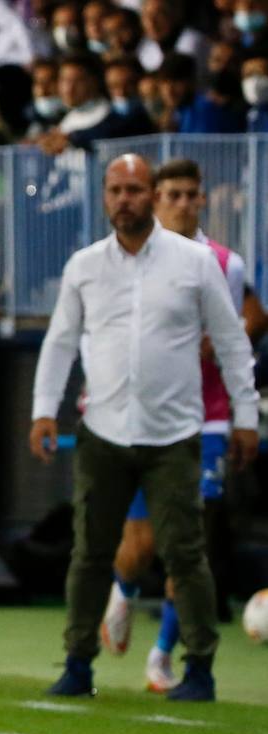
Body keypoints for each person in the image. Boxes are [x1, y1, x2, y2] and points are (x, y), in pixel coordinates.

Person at [30, 154, 258, 703]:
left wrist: (245, 417)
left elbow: (231, 341)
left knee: (186, 553)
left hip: (174, 433)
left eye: (135, 189)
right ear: (104, 196)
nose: (124, 199)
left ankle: (199, 667)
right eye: (116, 190)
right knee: (90, 553)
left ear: (151, 195)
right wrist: (43, 408)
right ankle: (78, 662)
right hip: (103, 429)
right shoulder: (84, 265)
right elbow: (60, 340)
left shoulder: (195, 262)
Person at [99, 158, 266, 691]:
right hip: (143, 417)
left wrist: (229, 337)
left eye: (193, 195)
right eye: (173, 194)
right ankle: (122, 589)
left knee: (188, 540)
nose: (184, 204)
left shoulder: (223, 261)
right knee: (143, 544)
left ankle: (163, 655)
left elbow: (253, 317)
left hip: (207, 418)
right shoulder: (126, 258)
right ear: (153, 197)